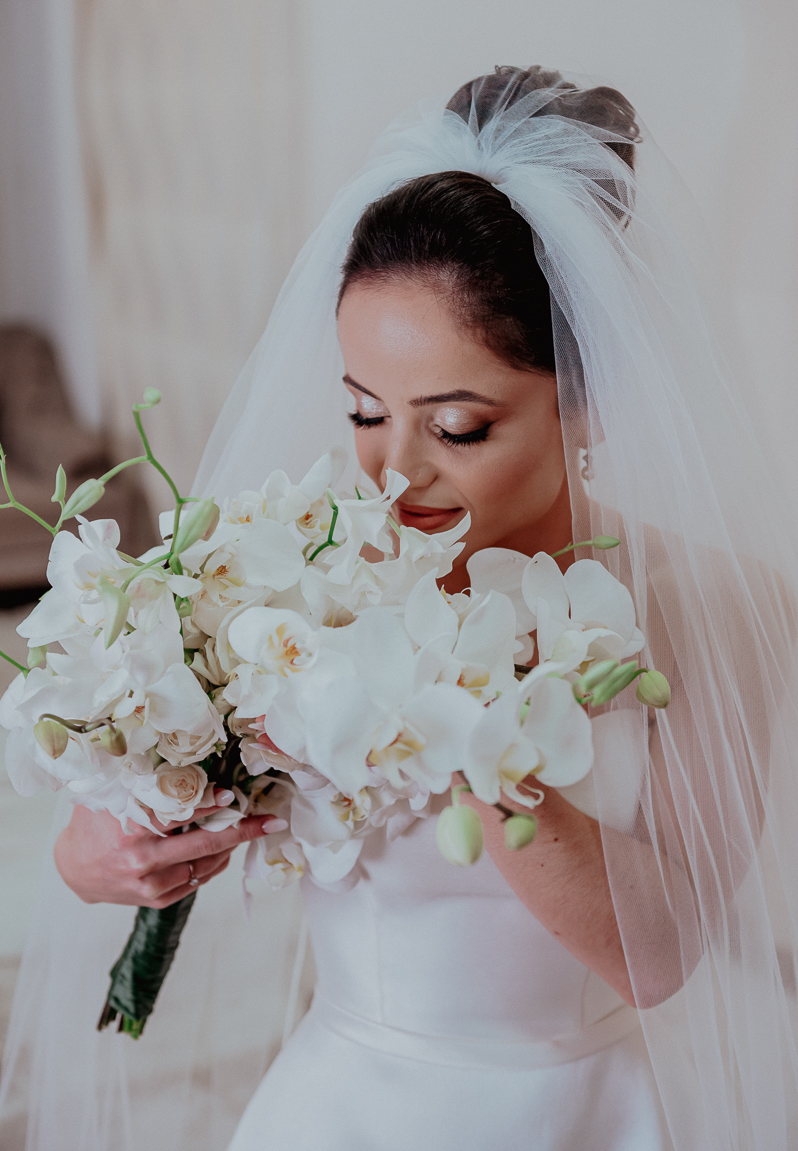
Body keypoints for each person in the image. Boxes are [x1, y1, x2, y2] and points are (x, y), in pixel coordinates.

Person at [5, 66, 798, 1151]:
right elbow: (126, 813)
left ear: (595, 395)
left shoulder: (712, 607)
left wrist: (451, 718)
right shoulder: (295, 579)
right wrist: (100, 853)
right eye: (364, 412)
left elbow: (655, 956)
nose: (392, 473)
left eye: (459, 426)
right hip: (350, 1107)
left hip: (593, 1111)